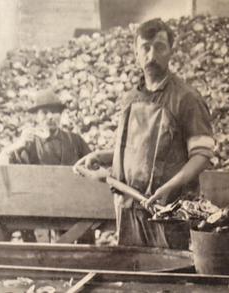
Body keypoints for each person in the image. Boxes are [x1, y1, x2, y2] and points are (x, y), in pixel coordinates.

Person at [74, 18, 214, 248]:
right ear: (136, 52)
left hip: (168, 212)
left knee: (171, 277)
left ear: (170, 52)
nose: (151, 55)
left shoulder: (186, 99)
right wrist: (102, 155)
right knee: (133, 275)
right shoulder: (130, 99)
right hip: (129, 210)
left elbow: (201, 155)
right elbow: (137, 150)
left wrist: (169, 187)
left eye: (159, 47)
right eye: (145, 47)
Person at [0, 88, 92, 242]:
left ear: (60, 114)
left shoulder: (75, 141)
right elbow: (3, 165)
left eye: (54, 112)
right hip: (39, 212)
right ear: (37, 116)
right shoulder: (28, 144)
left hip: (75, 211)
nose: (50, 117)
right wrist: (18, 145)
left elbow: (93, 168)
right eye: (44, 112)